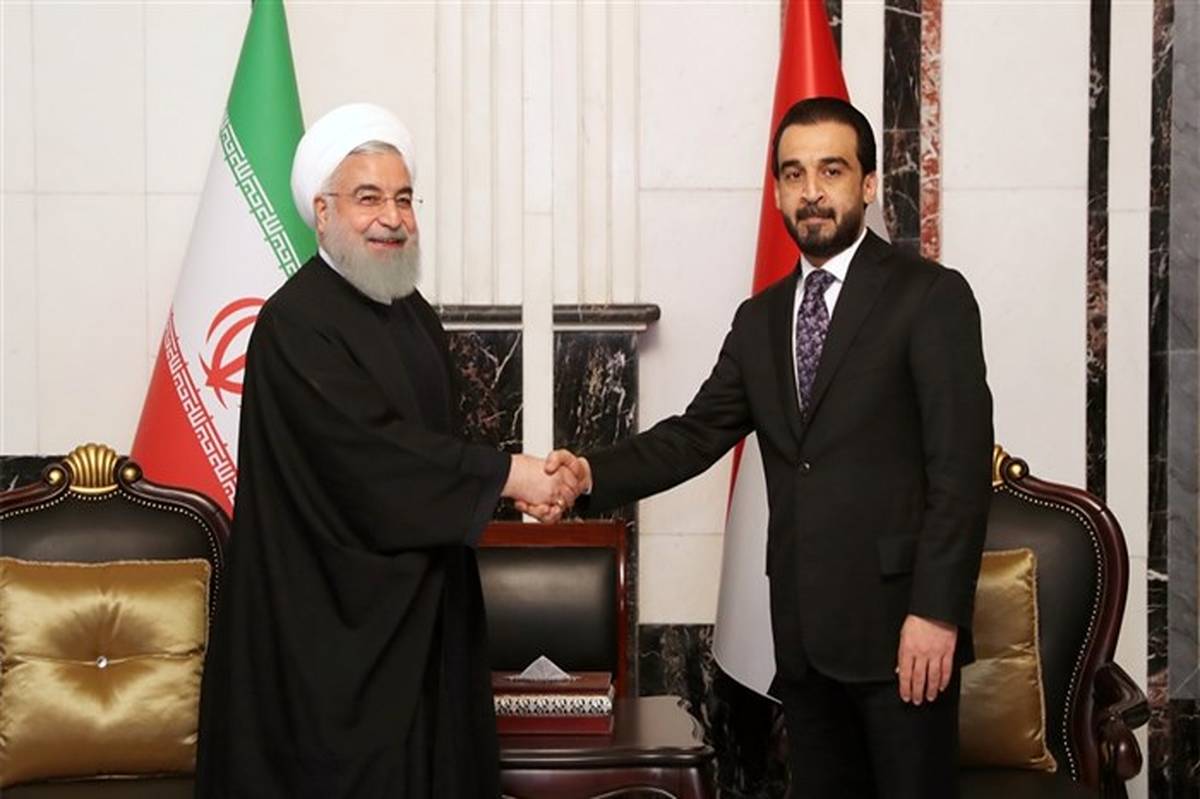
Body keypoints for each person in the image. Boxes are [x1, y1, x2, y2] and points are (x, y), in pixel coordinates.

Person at [525, 97, 993, 798]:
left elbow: (959, 471)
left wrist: (936, 611)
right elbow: (694, 435)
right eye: (794, 173)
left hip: (903, 635)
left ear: (867, 183)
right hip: (802, 644)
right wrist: (588, 473)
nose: (812, 191)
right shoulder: (761, 319)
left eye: (832, 170)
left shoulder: (930, 298)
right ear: (776, 191)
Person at [195, 103, 580, 798]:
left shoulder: (412, 314)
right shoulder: (295, 324)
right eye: (368, 198)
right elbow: (372, 459)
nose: (392, 218)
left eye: (403, 199)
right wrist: (512, 476)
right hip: (328, 638)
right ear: (323, 213)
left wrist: (510, 486)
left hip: (420, 622)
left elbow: (435, 449)